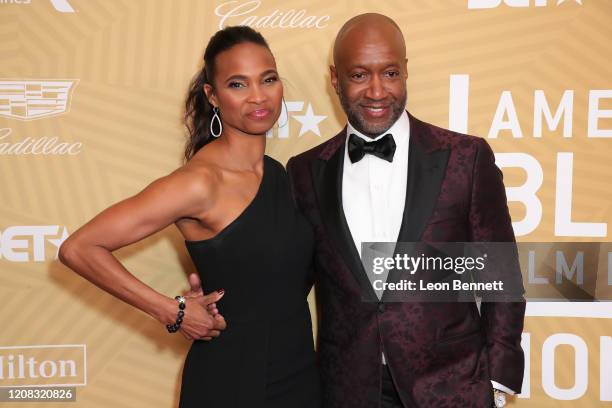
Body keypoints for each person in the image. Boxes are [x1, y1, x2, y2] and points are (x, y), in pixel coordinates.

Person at [59, 26, 320, 408]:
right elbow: (79, 248)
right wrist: (173, 311)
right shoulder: (199, 182)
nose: (258, 96)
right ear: (212, 96)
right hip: (230, 380)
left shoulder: (280, 174)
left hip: (298, 375)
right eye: (237, 84)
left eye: (268, 79)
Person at [285, 13, 526, 408]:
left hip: (450, 387)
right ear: (335, 78)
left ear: (406, 71)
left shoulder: (464, 158)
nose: (377, 91)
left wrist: (496, 381)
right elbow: (291, 281)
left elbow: (501, 276)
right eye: (359, 75)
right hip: (346, 388)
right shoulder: (305, 170)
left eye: (390, 73)